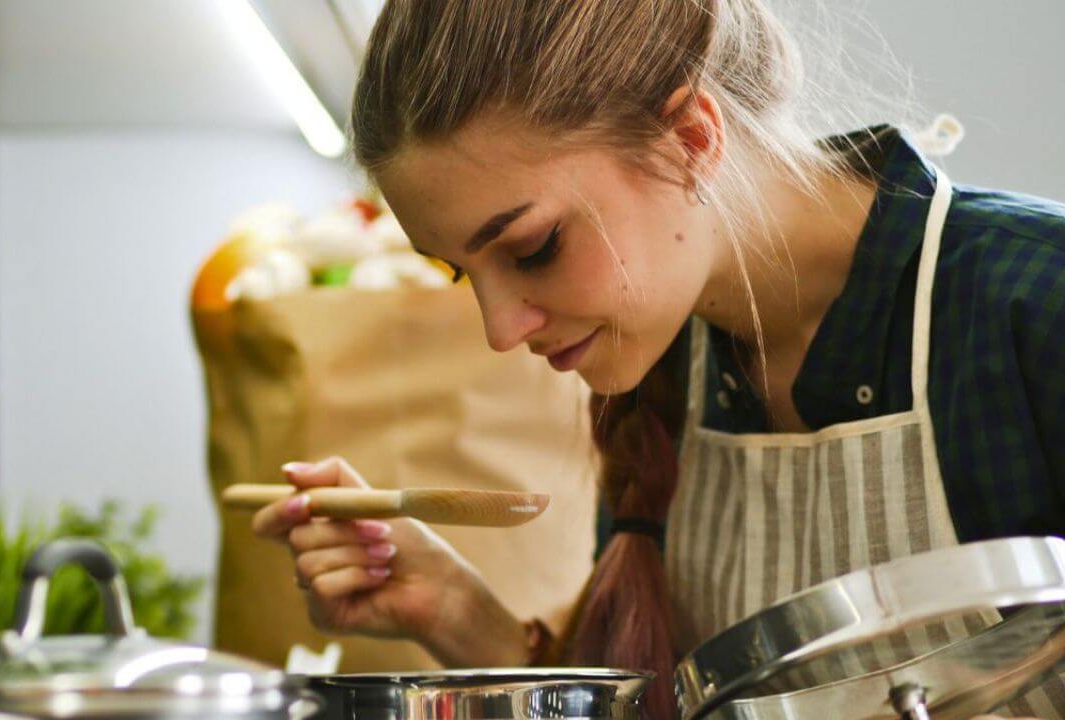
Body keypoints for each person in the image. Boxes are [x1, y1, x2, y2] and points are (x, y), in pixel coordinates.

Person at [250, 1, 1065, 717]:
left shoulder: (1032, 301)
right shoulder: (661, 368)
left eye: (533, 248)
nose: (501, 331)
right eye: (462, 271)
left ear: (690, 140)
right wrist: (459, 613)